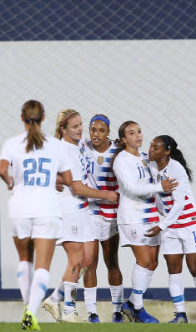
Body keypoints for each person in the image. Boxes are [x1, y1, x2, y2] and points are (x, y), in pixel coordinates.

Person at [0, 100, 74, 331]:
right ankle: (32, 310)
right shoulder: (55, 145)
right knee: (43, 266)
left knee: (25, 260)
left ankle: (26, 308)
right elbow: (69, 179)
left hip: (19, 208)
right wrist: (56, 180)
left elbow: (2, 168)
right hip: (46, 208)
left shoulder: (11, 143)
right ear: (43, 118)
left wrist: (10, 181)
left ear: (22, 118)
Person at [42, 109, 118, 323]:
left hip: (81, 209)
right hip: (69, 208)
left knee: (86, 260)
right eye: (75, 126)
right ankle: (68, 310)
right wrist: (106, 195)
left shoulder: (78, 145)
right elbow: (77, 188)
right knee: (76, 259)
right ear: (63, 129)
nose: (80, 129)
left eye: (80, 125)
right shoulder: (66, 150)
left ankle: (55, 297)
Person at [145, 135, 196, 324]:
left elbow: (179, 203)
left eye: (155, 148)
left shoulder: (176, 169)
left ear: (167, 152)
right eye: (150, 146)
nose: (151, 150)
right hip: (170, 226)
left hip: (190, 222)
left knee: (194, 267)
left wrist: (161, 225)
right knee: (173, 269)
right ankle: (181, 314)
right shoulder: (151, 165)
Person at [111, 121, 174, 324]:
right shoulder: (121, 160)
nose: (138, 135)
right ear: (123, 139)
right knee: (144, 261)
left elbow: (156, 186)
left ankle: (130, 304)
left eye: (139, 131)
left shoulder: (147, 158)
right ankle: (138, 309)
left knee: (153, 262)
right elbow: (131, 188)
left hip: (151, 216)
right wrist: (159, 187)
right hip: (132, 217)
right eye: (131, 133)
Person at [81, 114, 124, 323]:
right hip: (90, 210)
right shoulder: (82, 147)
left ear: (108, 132)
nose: (95, 134)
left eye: (101, 130)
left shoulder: (118, 150)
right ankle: (92, 312)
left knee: (112, 262)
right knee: (89, 263)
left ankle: (118, 310)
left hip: (112, 214)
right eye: (92, 129)